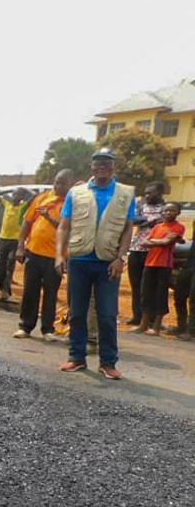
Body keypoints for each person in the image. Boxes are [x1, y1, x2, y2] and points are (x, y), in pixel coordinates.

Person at [55, 148, 136, 380]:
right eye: (97, 163)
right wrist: (59, 255)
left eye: (107, 164)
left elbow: (128, 228)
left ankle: (108, 362)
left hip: (108, 262)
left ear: (113, 168)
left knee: (108, 314)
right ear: (92, 167)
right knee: (77, 312)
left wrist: (121, 258)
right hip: (79, 261)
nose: (102, 167)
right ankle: (76, 357)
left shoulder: (125, 194)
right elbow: (64, 225)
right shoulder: (76, 193)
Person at [13, 170, 74, 340]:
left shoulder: (72, 203)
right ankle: (25, 326)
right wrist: (20, 246)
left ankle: (47, 329)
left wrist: (47, 217)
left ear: (70, 184)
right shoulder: (41, 198)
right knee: (30, 291)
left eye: (62, 183)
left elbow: (67, 228)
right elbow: (27, 222)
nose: (58, 186)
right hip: (34, 252)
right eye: (56, 182)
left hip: (56, 257)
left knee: (50, 293)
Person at [135, 202, 185, 336]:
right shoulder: (157, 227)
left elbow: (166, 243)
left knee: (160, 294)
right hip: (150, 263)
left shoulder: (179, 227)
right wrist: (160, 241)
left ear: (178, 212)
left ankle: (156, 327)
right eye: (166, 211)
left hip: (164, 265)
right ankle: (143, 324)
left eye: (172, 211)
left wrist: (156, 242)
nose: (168, 213)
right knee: (145, 293)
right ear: (162, 213)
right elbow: (144, 242)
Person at [126, 183, 165, 325]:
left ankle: (151, 318)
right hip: (136, 249)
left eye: (151, 193)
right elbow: (133, 220)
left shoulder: (166, 209)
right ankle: (137, 316)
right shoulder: (140, 207)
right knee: (135, 284)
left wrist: (144, 222)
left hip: (154, 252)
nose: (147, 196)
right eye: (146, 193)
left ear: (160, 194)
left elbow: (163, 223)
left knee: (151, 286)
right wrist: (151, 221)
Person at [0, 188, 30, 299]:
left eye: (18, 195)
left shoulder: (23, 206)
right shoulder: (6, 203)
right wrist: (10, 190)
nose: (15, 197)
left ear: (22, 197)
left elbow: (34, 196)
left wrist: (26, 190)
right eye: (14, 194)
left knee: (9, 266)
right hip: (3, 238)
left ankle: (5, 291)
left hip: (15, 240)